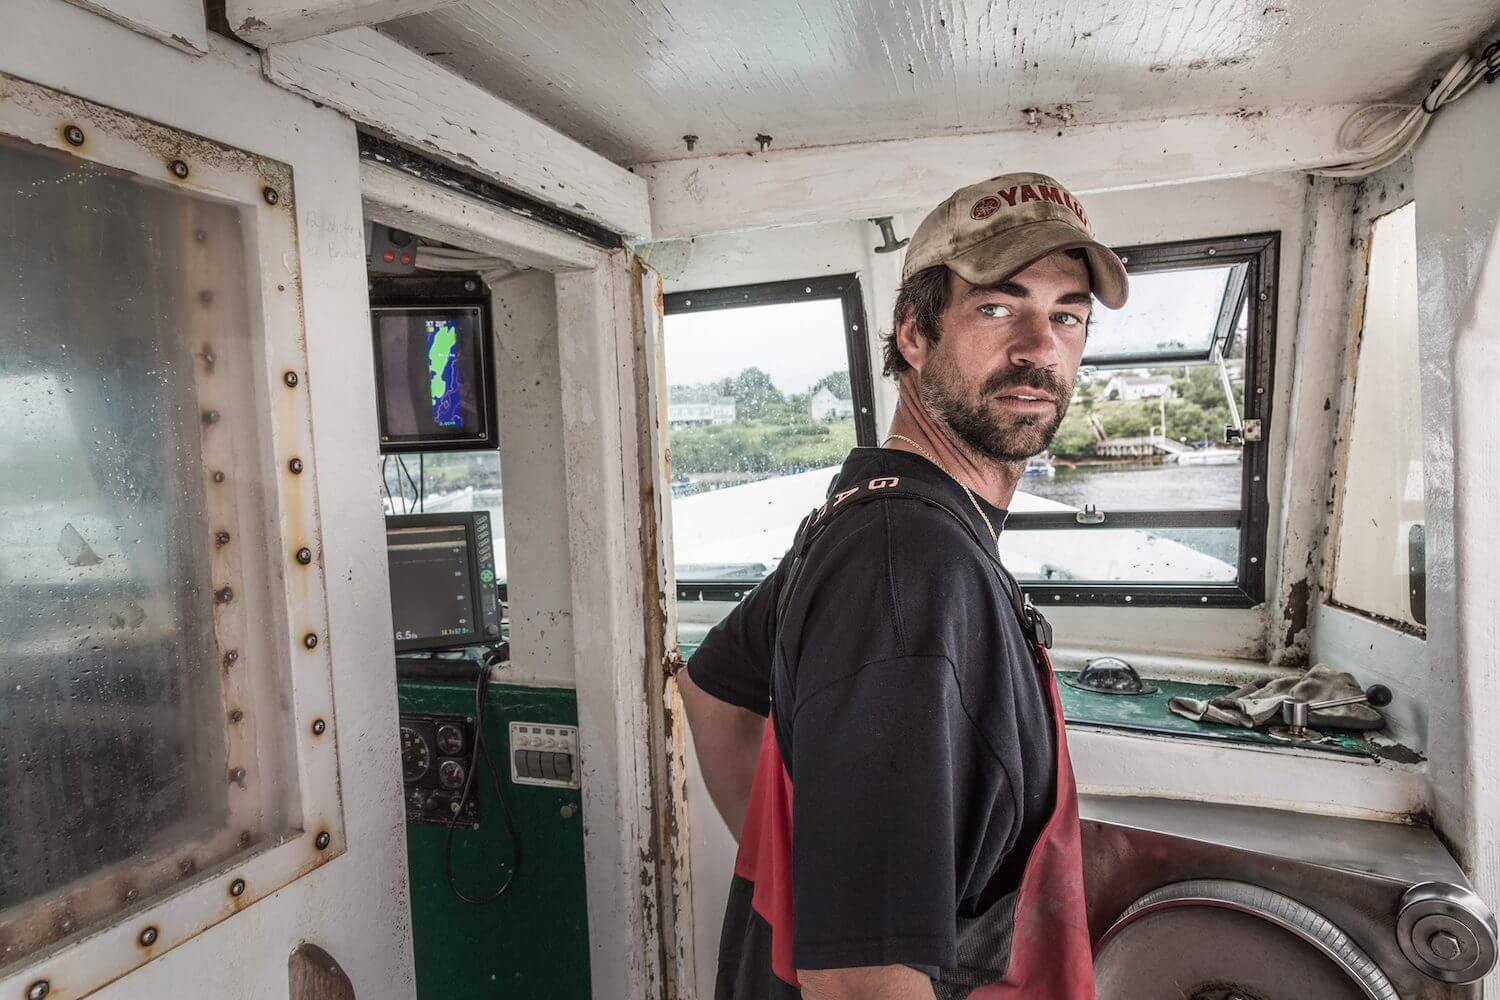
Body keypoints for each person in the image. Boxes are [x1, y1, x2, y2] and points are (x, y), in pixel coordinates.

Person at [679, 172, 1129, 1000]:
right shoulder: (911, 570)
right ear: (914, 335)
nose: (1040, 346)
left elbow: (711, 691)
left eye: (1067, 314)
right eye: (999, 307)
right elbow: (858, 978)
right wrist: (840, 915)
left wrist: (810, 874)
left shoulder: (873, 510)